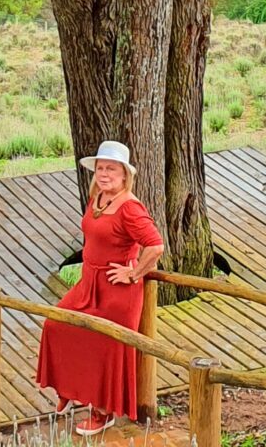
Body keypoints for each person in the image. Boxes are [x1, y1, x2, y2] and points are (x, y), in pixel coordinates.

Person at [35, 140, 165, 436]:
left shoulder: (130, 208)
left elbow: (155, 246)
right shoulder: (98, 198)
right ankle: (68, 388)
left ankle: (102, 412)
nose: (105, 174)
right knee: (56, 325)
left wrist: (134, 273)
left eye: (112, 169)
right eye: (101, 168)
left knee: (107, 348)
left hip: (117, 291)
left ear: (124, 175)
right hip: (88, 282)